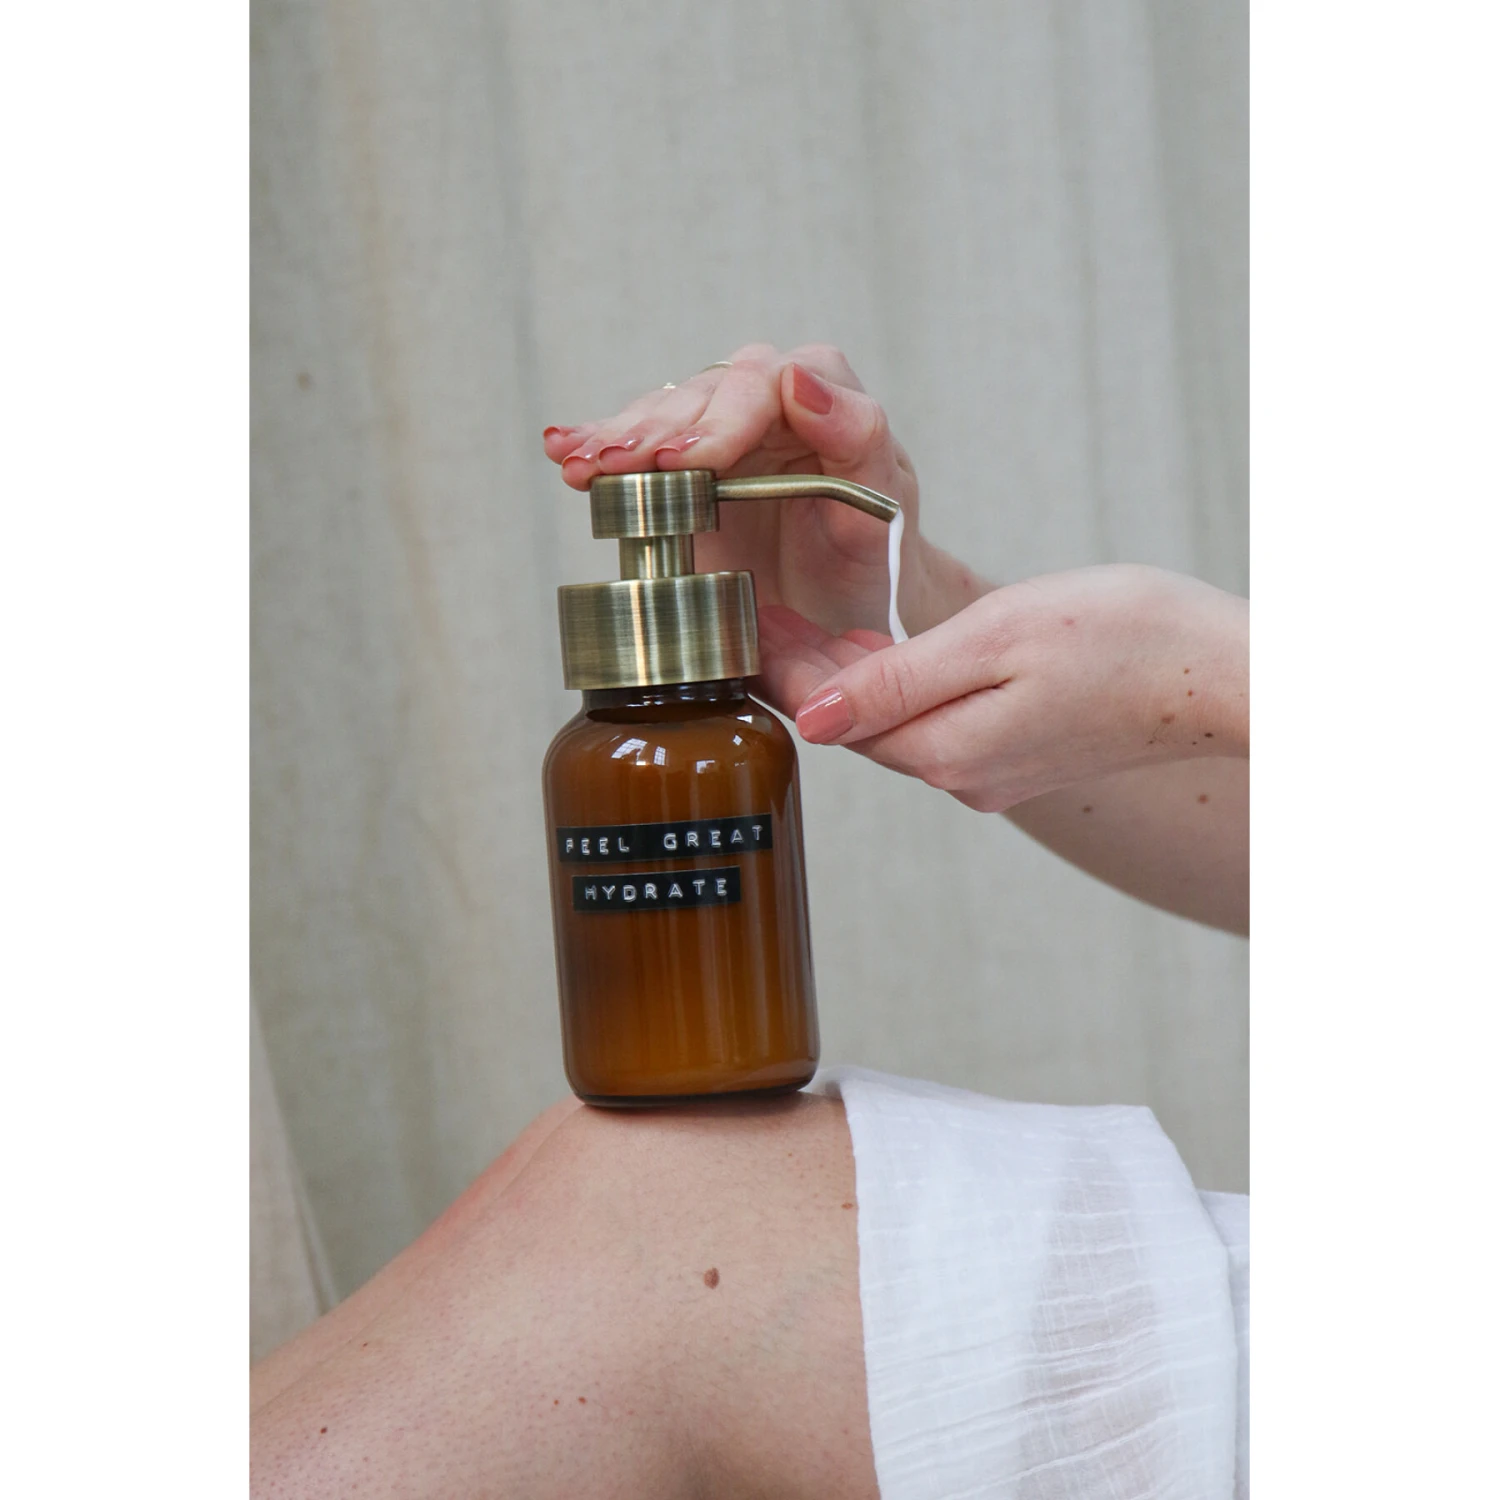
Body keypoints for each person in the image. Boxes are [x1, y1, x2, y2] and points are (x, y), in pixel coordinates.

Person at [251, 345, 1249, 1498]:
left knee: (656, 1235)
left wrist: (1205, 663)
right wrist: (897, 600)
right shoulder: (611, 751)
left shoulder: (724, 747)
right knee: (623, 1181)